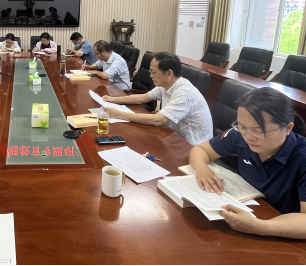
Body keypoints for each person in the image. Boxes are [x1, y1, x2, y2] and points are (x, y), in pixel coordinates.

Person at [190, 88, 306, 239]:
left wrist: (259, 226)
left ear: (288, 128)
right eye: (242, 127)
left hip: (282, 232)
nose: (249, 137)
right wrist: (201, 168)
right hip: (250, 209)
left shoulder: (302, 156)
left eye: (259, 131)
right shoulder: (239, 135)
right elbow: (200, 150)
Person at [101, 52, 212, 146]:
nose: (151, 76)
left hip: (194, 147)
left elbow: (157, 120)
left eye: (154, 72)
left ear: (169, 73)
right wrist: (113, 99)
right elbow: (142, 98)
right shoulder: (166, 85)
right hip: (173, 136)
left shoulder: (184, 93)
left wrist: (118, 114)